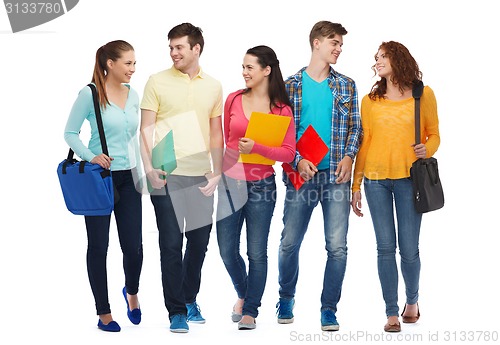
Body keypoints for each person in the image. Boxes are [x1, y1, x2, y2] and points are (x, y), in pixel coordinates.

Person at [276, 21, 362, 332]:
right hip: (302, 177)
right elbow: (281, 136)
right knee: (289, 242)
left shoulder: (347, 85)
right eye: (334, 43)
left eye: (341, 44)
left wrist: (350, 156)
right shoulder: (290, 86)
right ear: (316, 43)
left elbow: (356, 128)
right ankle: (285, 298)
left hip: (336, 177)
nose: (339, 48)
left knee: (337, 246)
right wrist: (297, 160)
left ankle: (329, 309)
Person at [140, 23, 223, 333]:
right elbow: (146, 128)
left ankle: (189, 299)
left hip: (201, 175)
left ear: (196, 49)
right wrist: (149, 167)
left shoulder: (213, 86)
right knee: (171, 243)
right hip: (166, 174)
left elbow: (216, 132)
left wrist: (217, 171)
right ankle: (176, 310)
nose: (173, 52)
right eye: (171, 47)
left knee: (199, 242)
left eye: (179, 47)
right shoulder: (156, 82)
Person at [351, 41, 440, 332]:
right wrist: (356, 184)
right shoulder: (370, 100)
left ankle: (411, 302)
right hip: (376, 181)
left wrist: (428, 149)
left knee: (409, 249)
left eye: (382, 56)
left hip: (409, 180)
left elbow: (434, 134)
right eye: (375, 58)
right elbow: (365, 143)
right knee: (385, 248)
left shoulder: (422, 94)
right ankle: (391, 312)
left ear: (397, 58)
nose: (376, 62)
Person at [64, 40, 143, 332]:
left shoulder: (133, 94)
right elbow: (70, 133)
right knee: (99, 246)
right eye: (128, 63)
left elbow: (134, 137)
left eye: (135, 63)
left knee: (133, 246)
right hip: (100, 178)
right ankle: (104, 313)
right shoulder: (90, 94)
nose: (133, 69)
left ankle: (131, 292)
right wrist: (91, 156)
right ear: (110, 64)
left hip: (130, 176)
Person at [216, 45, 296, 330]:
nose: (244, 72)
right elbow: (227, 141)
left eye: (250, 67)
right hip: (230, 182)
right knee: (226, 249)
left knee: (256, 252)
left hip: (262, 185)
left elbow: (288, 153)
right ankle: (244, 292)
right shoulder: (233, 99)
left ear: (266, 70)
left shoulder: (281, 109)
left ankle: (250, 309)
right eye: (243, 66)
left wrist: (258, 147)